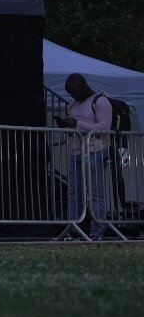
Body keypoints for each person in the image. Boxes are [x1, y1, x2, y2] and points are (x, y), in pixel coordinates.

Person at [55, 72, 113, 241]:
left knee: (96, 194)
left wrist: (77, 123)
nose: (72, 96)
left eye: (73, 92)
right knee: (74, 194)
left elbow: (104, 128)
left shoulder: (101, 101)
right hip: (76, 153)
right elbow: (77, 127)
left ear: (82, 86)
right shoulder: (74, 103)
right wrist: (65, 125)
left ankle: (97, 233)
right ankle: (73, 231)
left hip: (95, 152)